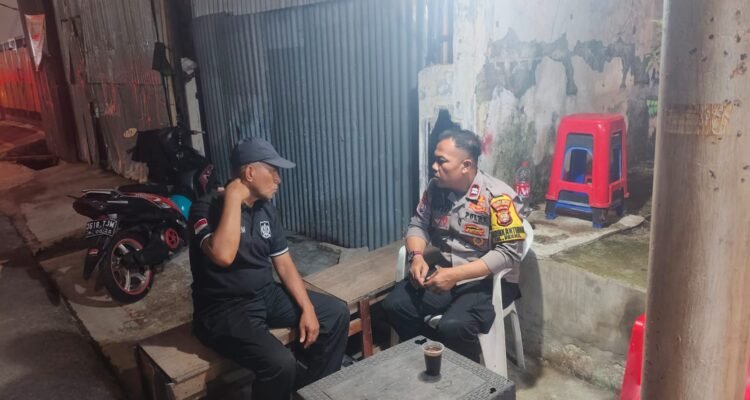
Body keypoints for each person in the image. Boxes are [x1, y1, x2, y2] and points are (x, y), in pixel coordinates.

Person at [188, 137, 349, 400]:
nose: (278, 179)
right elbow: (223, 255)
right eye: (273, 171)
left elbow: (284, 264)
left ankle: (311, 393)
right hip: (223, 309)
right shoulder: (205, 208)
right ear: (250, 173)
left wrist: (308, 308)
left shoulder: (266, 210)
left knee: (336, 313)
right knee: (280, 364)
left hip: (265, 295)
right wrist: (233, 197)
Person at [382, 128, 527, 362]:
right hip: (446, 271)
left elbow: (508, 254)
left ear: (466, 165)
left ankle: (463, 376)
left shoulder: (498, 196)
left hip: (487, 281)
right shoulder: (435, 189)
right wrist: (416, 256)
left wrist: (455, 275)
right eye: (434, 160)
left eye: (441, 161)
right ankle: (429, 357)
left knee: (454, 327)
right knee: (395, 305)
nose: (434, 167)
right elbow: (418, 224)